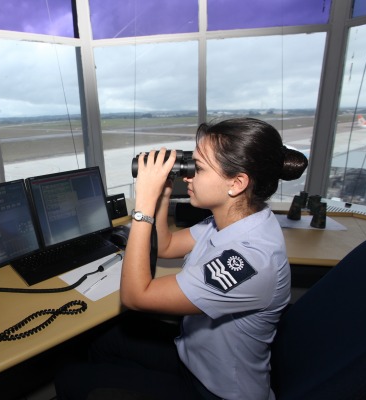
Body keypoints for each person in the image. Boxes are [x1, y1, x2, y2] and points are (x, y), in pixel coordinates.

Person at [54, 118, 309, 400]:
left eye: (197, 168)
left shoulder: (250, 260)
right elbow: (166, 244)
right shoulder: (235, 220)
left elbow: (136, 296)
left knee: (72, 379)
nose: (187, 175)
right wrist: (162, 193)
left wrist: (144, 206)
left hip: (215, 390)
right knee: (107, 341)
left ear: (236, 183)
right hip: (193, 356)